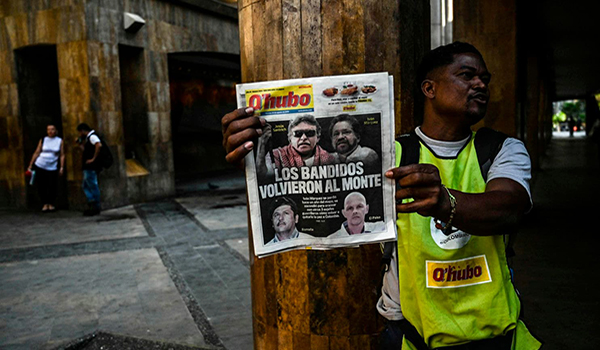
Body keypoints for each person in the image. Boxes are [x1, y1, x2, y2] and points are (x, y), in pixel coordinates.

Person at [221, 41, 541, 349]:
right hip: (411, 335)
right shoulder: (389, 154)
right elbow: (313, 196)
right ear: (429, 88)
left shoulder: (502, 149)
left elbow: (510, 207)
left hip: (494, 333)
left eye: (484, 78)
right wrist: (251, 155)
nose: (480, 84)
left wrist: (445, 202)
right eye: (467, 75)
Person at [256, 114, 336, 175]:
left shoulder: (330, 159)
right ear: (290, 138)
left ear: (317, 137)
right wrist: (261, 144)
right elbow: (263, 174)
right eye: (298, 133)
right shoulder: (276, 155)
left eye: (309, 133)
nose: (303, 137)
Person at [27, 124, 65, 212]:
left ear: (55, 130)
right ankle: (44, 203)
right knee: (41, 185)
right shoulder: (43, 140)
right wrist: (31, 164)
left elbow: (62, 155)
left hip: (52, 166)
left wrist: (62, 167)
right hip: (40, 164)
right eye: (48, 130)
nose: (50, 131)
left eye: (52, 129)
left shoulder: (59, 141)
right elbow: (37, 152)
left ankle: (51, 203)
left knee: (52, 185)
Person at [76, 123, 103, 216]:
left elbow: (98, 145)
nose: (80, 134)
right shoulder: (88, 138)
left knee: (92, 185)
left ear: (83, 131)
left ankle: (96, 205)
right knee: (86, 185)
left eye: (80, 132)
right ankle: (91, 201)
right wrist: (80, 144)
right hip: (88, 166)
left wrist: (93, 158)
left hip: (91, 166)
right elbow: (86, 151)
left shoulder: (92, 136)